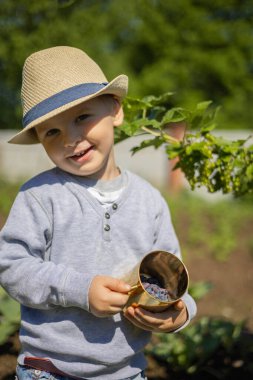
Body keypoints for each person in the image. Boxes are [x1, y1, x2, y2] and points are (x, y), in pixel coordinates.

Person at [0, 46, 196, 380]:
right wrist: (79, 289)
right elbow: (12, 265)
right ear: (39, 139)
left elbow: (172, 279)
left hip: (127, 372)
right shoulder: (40, 196)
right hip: (49, 370)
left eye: (82, 117)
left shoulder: (149, 201)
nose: (71, 139)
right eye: (52, 131)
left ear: (115, 110)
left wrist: (179, 315)